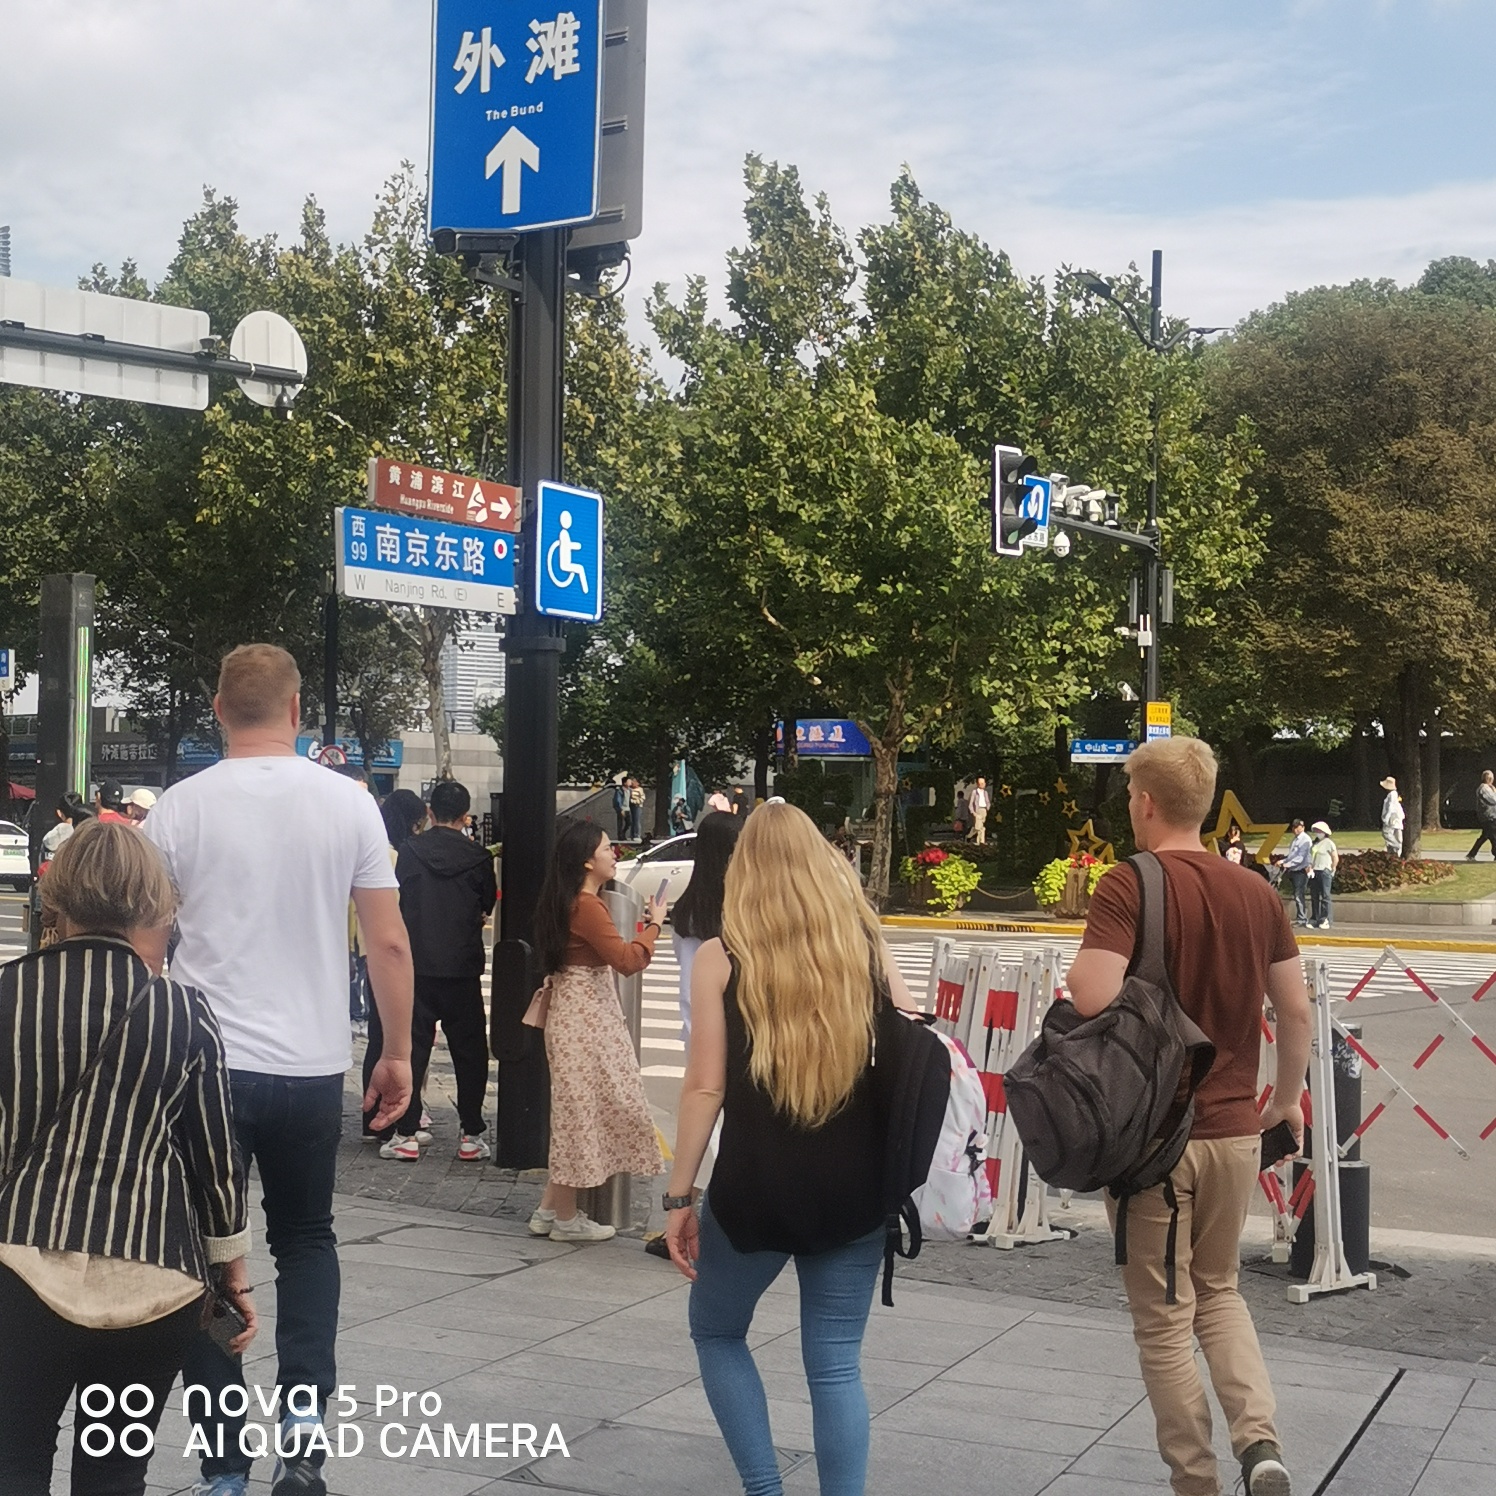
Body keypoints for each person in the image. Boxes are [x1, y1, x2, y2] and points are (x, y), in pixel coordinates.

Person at [144, 644, 414, 1496]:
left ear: (218, 710)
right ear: (297, 713)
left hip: (200, 1065)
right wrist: (397, 1051)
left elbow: (146, 951)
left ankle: (224, 1465)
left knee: (200, 1256)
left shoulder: (176, 811)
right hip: (308, 1064)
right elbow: (388, 942)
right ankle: (302, 1440)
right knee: (305, 1241)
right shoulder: (350, 804)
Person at [1065, 737, 1312, 1496]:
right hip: (1236, 1133)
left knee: (1165, 1319)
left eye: (1129, 797)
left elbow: (1089, 994)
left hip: (1154, 1141)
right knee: (1220, 1291)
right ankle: (1260, 1443)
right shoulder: (1257, 892)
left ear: (1146, 803)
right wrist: (1283, 1100)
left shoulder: (1130, 883)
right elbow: (1295, 1010)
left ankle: (1196, 1480)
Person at [662, 802, 922, 1496]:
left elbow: (704, 1088)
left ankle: (765, 1489)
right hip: (855, 1190)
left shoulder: (721, 958)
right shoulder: (864, 947)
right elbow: (913, 1043)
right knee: (835, 1366)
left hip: (754, 1191)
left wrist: (679, 1195)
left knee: (717, 1332)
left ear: (743, 869)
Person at [0, 820, 254, 1496]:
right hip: (154, 1281)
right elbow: (215, 1159)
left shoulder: (8, 993)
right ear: (153, 904)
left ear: (59, 897)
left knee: (13, 1459)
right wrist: (233, 1273)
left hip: (19, 1268)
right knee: (115, 1467)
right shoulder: (184, 1012)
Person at [527, 821, 666, 1244]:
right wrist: (654, 926)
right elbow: (626, 960)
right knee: (583, 1114)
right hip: (586, 1018)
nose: (614, 854)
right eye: (607, 848)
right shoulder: (587, 906)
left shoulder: (566, 899)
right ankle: (567, 1220)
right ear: (588, 861)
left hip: (573, 1013)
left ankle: (549, 1210)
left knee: (578, 1111)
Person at [391, 779, 498, 1162]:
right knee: (470, 1053)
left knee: (413, 1050)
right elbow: (487, 905)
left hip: (417, 967)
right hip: (462, 967)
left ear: (430, 812)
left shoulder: (409, 851)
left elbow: (399, 898)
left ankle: (407, 1133)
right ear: (466, 816)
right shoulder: (479, 858)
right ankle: (471, 1134)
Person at [360, 789, 430, 1150]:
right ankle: (395, 1121)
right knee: (396, 1040)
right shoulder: (399, 856)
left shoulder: (377, 850)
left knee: (376, 1035)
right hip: (395, 956)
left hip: (368, 952)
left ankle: (371, 1117)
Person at [670, 810, 743, 1045]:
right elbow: (691, 991)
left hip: (716, 1035)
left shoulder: (691, 908)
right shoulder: (704, 913)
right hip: (718, 1039)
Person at [1279, 818, 1312, 927]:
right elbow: (1292, 856)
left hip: (1301, 871)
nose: (1295, 829)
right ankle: (1300, 918)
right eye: (1294, 827)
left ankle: (1302, 919)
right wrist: (1283, 861)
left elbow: (1300, 858)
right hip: (1294, 870)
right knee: (1297, 894)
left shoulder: (1305, 840)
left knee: (1299, 895)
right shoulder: (1295, 840)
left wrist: (1287, 864)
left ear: (1303, 827)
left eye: (1298, 827)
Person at [1309, 820, 1339, 930]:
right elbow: (1311, 857)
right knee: (1314, 896)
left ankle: (1325, 919)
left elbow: (1335, 857)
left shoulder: (1329, 843)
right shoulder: (1315, 843)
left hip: (1324, 871)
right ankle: (1315, 919)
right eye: (1316, 831)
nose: (1317, 833)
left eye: (1319, 831)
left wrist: (1332, 869)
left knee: (1325, 896)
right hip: (1314, 871)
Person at [1469, 771, 1496, 860]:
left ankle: (1471, 854)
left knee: (1485, 836)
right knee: (1493, 836)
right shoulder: (1483, 788)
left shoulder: (1489, 788)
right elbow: (1492, 800)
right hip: (1488, 816)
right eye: (1491, 778)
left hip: (1492, 815)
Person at [1380, 775, 1404, 855]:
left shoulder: (1392, 795)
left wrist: (1386, 818)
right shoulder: (1393, 794)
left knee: (1387, 833)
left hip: (1392, 819)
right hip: (1396, 819)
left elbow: (1391, 807)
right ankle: (1394, 852)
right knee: (1397, 836)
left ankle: (1396, 846)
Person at [968, 776, 992, 845]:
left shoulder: (985, 792)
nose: (983, 784)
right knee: (979, 827)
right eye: (981, 783)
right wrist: (973, 812)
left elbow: (987, 801)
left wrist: (988, 808)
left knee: (981, 827)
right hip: (977, 810)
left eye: (983, 783)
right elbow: (970, 803)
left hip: (984, 810)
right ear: (978, 784)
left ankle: (978, 842)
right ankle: (980, 842)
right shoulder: (974, 792)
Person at [628, 777, 645, 841]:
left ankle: (637, 835)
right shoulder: (630, 789)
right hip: (631, 806)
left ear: (638, 783)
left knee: (637, 820)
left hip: (637, 806)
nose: (633, 783)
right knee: (632, 821)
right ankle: (632, 835)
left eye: (634, 781)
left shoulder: (640, 789)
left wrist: (635, 801)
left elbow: (642, 798)